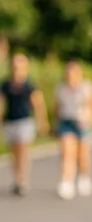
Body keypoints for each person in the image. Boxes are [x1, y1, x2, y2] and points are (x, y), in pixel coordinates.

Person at [0, 53, 49, 195]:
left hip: (24, 121)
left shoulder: (29, 85)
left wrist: (42, 121)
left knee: (23, 150)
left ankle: (23, 179)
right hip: (10, 121)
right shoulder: (6, 84)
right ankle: (17, 178)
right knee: (13, 152)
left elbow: (38, 104)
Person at [55, 61, 92, 200]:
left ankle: (84, 176)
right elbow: (57, 107)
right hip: (67, 121)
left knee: (83, 154)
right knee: (67, 152)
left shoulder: (87, 88)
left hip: (83, 123)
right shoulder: (61, 89)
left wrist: (89, 119)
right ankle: (67, 181)